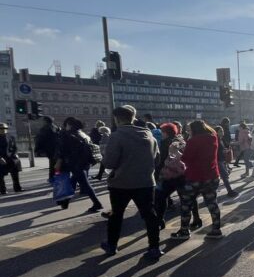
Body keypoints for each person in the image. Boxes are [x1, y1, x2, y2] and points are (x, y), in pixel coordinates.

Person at [100, 106, 162, 259]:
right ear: (133, 117)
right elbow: (157, 158)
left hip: (121, 183)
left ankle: (112, 245)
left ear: (117, 118)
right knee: (149, 215)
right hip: (146, 182)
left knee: (116, 215)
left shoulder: (117, 136)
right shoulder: (149, 135)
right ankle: (154, 247)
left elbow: (109, 163)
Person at [171, 120, 223, 240]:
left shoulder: (193, 140)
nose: (188, 132)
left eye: (189, 130)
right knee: (212, 203)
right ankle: (216, 229)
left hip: (195, 176)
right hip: (212, 175)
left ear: (194, 130)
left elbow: (185, 158)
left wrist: (176, 151)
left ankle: (184, 231)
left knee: (186, 204)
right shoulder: (213, 137)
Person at [155, 123, 201, 230]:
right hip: (184, 174)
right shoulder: (181, 140)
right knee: (188, 198)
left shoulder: (166, 142)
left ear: (166, 132)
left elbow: (161, 160)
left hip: (169, 175)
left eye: (162, 132)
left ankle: (160, 220)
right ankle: (196, 218)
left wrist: (157, 174)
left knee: (161, 197)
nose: (161, 134)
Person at [55, 116, 103, 212]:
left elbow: (63, 150)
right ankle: (65, 202)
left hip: (75, 163)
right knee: (73, 181)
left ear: (68, 124)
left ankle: (97, 203)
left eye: (66, 125)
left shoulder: (67, 135)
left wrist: (58, 163)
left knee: (85, 184)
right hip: (85, 162)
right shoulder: (83, 134)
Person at [214, 125, 238, 197]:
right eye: (220, 131)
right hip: (218, 160)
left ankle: (212, 191)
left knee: (220, 176)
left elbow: (223, 148)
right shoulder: (216, 140)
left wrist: (226, 150)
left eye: (222, 131)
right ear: (216, 132)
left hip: (222, 159)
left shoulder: (221, 139)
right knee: (224, 176)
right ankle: (230, 191)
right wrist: (223, 151)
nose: (222, 132)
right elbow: (216, 151)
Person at [35, 116, 60, 181]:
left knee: (52, 164)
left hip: (50, 149)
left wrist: (37, 149)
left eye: (43, 121)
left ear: (45, 121)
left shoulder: (45, 128)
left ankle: (52, 177)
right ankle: (57, 175)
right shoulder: (56, 127)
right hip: (57, 149)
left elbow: (40, 139)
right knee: (56, 164)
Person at [0, 123, 22, 194]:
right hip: (1, 158)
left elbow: (15, 147)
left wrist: (15, 153)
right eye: (1, 129)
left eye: (4, 129)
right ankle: (3, 190)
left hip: (11, 158)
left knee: (15, 173)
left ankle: (17, 188)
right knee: (1, 175)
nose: (3, 130)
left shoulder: (11, 137)